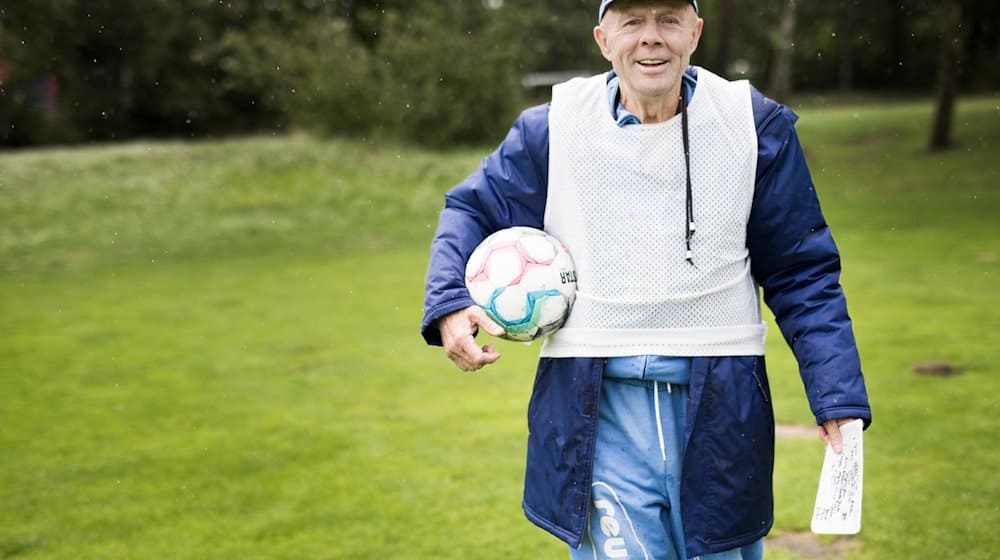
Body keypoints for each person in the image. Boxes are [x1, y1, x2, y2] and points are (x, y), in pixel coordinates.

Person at [421, 1, 872, 558]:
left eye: (668, 19)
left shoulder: (752, 125)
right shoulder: (553, 128)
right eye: (633, 22)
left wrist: (836, 395)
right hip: (596, 411)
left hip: (721, 411)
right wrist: (447, 301)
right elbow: (471, 209)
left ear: (696, 32)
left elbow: (802, 271)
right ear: (603, 38)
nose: (651, 39)